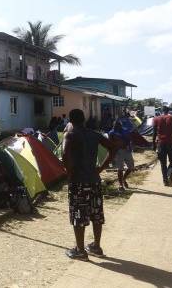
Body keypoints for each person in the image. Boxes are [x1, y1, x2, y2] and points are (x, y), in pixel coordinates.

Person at [62, 108, 116, 260]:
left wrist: (69, 172)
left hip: (78, 181)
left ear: (70, 121)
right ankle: (96, 246)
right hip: (94, 180)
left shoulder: (70, 135)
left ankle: (80, 250)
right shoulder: (94, 135)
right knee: (96, 213)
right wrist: (101, 168)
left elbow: (65, 154)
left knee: (78, 215)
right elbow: (113, 148)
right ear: (84, 119)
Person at [153, 106, 172, 186]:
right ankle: (170, 176)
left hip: (161, 144)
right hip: (171, 144)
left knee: (163, 163)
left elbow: (154, 133)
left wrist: (154, 145)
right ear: (168, 111)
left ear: (161, 111)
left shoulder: (156, 119)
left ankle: (165, 180)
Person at [109, 120, 134, 191]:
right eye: (116, 125)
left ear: (121, 125)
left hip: (127, 150)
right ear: (114, 125)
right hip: (118, 152)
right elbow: (110, 143)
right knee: (120, 169)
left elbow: (130, 139)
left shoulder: (125, 131)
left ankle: (124, 178)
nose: (117, 126)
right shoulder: (112, 133)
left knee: (131, 167)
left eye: (119, 124)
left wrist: (129, 145)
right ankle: (120, 185)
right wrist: (112, 154)